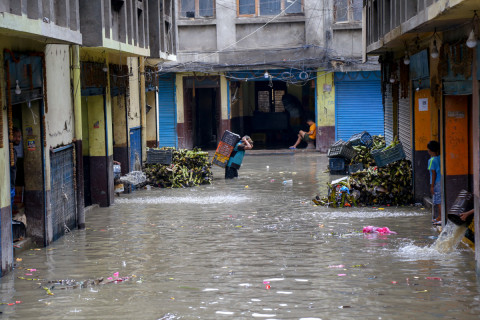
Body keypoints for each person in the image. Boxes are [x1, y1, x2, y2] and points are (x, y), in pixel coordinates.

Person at [427, 140, 441, 225]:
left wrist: (432, 186)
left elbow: (433, 173)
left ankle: (440, 217)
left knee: (438, 201)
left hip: (436, 182)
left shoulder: (431, 160)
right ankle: (440, 217)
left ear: (430, 150)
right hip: (441, 181)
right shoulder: (440, 158)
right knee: (439, 200)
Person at [10, 127, 22, 208]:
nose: (18, 139)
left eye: (19, 136)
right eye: (15, 136)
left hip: (11, 185)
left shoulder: (13, 151)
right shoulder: (9, 151)